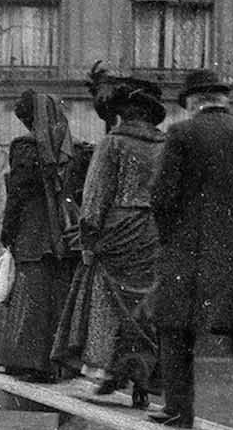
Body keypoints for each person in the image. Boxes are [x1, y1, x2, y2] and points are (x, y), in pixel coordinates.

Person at [147, 68, 233, 430]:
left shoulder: (182, 134)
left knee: (174, 328)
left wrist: (172, 240)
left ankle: (178, 409)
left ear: (191, 101)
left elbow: (162, 197)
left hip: (188, 254)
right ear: (224, 99)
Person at [53, 71, 167, 407]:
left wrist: (87, 240)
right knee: (143, 304)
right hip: (153, 232)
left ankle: (103, 371)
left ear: (122, 113)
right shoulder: (166, 145)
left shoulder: (113, 144)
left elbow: (94, 198)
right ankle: (142, 379)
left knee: (105, 299)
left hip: (117, 229)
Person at [0, 91, 79, 382]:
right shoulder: (72, 149)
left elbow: (17, 196)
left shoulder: (24, 148)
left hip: (33, 233)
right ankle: (58, 364)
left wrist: (7, 232)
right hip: (65, 235)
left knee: (31, 299)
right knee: (58, 299)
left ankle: (28, 363)